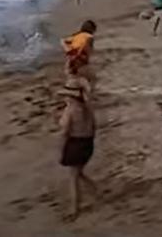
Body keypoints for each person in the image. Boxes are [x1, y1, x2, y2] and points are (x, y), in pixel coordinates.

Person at [56, 80, 97, 221]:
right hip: (88, 143)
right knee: (78, 172)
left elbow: (64, 132)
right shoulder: (87, 109)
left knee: (73, 178)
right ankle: (96, 190)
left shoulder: (70, 111)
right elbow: (94, 127)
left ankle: (74, 209)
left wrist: (61, 151)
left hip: (75, 144)